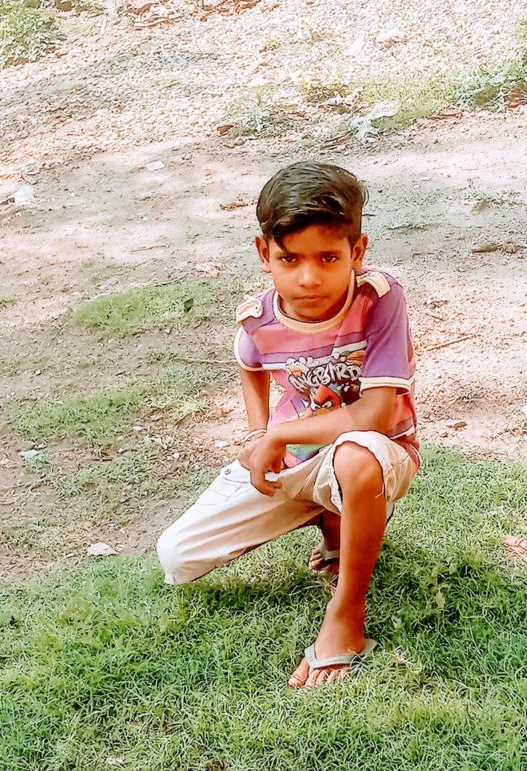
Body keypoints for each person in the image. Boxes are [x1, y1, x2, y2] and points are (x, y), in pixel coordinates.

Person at [157, 161, 420, 689]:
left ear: (358, 251)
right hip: (296, 463)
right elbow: (250, 364)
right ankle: (331, 516)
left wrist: (276, 434)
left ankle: (346, 616)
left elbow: (374, 414)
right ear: (264, 254)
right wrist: (259, 436)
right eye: (289, 258)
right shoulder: (258, 317)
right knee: (178, 557)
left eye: (329, 258)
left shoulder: (379, 298)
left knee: (356, 455)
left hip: (375, 455)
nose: (308, 278)